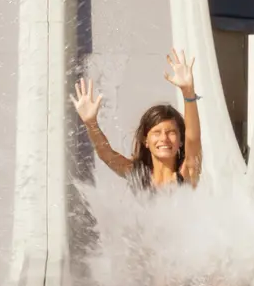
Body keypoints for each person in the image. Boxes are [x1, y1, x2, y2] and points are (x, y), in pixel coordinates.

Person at [72, 49, 202, 190]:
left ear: (181, 140)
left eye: (171, 132)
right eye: (156, 133)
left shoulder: (187, 175)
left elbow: (193, 139)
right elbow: (107, 155)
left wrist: (188, 91)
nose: (164, 138)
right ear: (146, 140)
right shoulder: (138, 176)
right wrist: (91, 123)